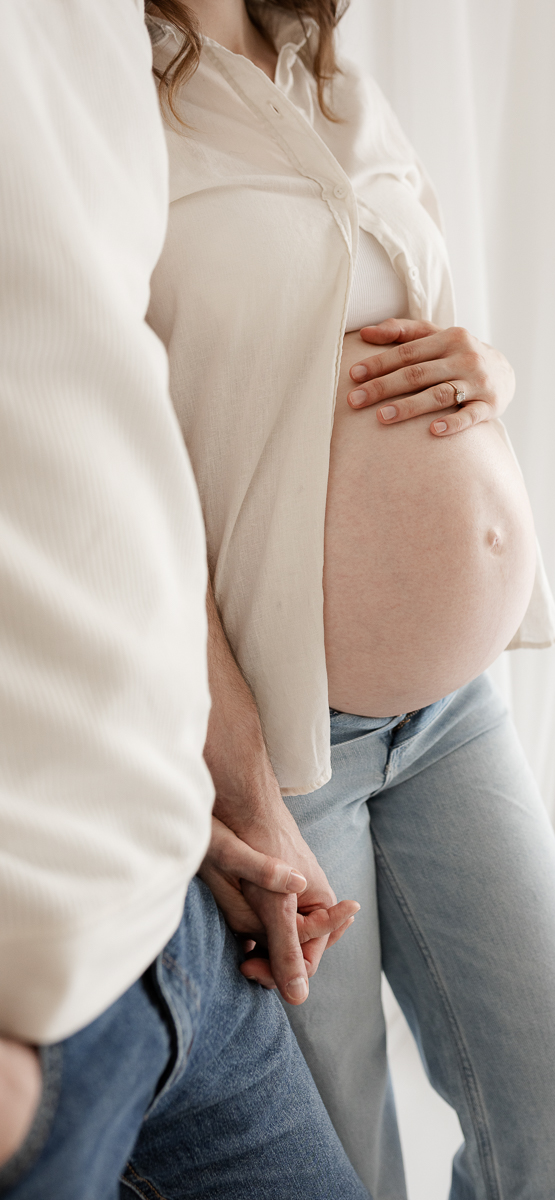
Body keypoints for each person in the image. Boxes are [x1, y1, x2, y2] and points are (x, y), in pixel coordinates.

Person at [145, 1, 555, 1197]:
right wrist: (239, 775)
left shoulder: (330, 71)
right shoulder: (101, 92)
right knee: (338, 1169)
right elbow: (117, 478)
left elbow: (412, 313)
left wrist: (488, 367)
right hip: (282, 746)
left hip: (454, 714)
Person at [0, 3, 368, 1197]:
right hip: (40, 1013)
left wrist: (215, 795)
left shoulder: (92, 30)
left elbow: (104, 466)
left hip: (177, 903)